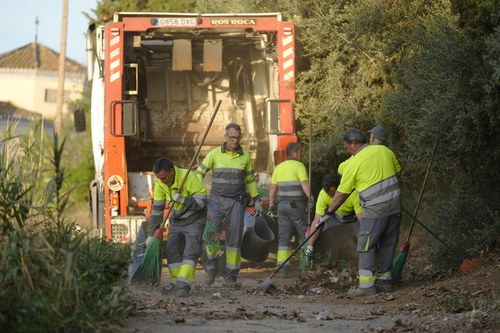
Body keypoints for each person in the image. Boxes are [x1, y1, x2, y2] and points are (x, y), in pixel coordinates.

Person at [321, 128, 401, 297]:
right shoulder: (386, 151)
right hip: (394, 207)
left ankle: (366, 286)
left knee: (365, 244)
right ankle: (384, 283)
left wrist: (328, 212)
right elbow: (397, 173)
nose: (347, 151)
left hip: (375, 209)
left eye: (346, 147)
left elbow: (341, 193)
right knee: (387, 243)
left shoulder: (354, 163)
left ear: (354, 143)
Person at [195, 123, 263, 287]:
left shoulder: (245, 156)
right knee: (211, 237)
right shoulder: (214, 154)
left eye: (238, 138)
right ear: (225, 137)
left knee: (234, 240)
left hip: (236, 202)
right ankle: (211, 270)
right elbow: (199, 173)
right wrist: (198, 194)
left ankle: (231, 275)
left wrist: (257, 199)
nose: (235, 141)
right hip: (216, 201)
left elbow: (250, 180)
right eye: (232, 137)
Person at [148, 158, 207, 297]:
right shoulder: (160, 184)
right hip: (178, 220)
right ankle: (176, 283)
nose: (162, 181)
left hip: (195, 220)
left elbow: (201, 202)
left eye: (164, 177)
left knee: (190, 252)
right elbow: (157, 210)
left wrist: (182, 199)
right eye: (159, 178)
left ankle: (183, 285)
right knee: (172, 250)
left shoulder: (189, 177)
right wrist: (151, 234)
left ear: (172, 172)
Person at [268, 142, 312, 276]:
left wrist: (271, 203)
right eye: (300, 151)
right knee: (304, 235)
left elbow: (273, 187)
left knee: (284, 238)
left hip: (282, 207)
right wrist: (310, 198)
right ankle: (305, 268)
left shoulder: (279, 167)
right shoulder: (299, 166)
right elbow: (304, 183)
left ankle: (282, 268)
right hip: (296, 206)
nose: (302, 154)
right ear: (294, 153)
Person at [305, 167, 362, 259]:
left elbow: (362, 219)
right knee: (324, 236)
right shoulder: (323, 195)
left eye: (333, 194)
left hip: (353, 220)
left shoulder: (353, 193)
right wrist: (310, 246)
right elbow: (317, 221)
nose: (332, 198)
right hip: (335, 219)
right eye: (329, 194)